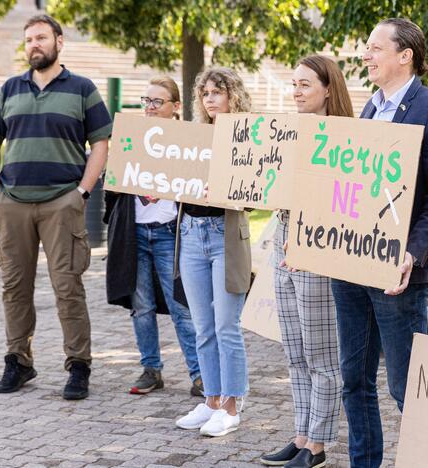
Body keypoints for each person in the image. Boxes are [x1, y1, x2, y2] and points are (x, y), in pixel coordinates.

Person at [330, 18, 428, 468]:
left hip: (397, 271)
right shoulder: (370, 108)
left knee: (408, 387)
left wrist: (410, 253)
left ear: (405, 55)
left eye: (374, 48)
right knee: (354, 379)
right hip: (352, 264)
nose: (365, 56)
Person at [0, 14, 111, 400]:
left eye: (41, 38)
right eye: (29, 39)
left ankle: (78, 366)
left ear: (59, 41)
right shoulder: (10, 88)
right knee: (14, 287)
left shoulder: (82, 89)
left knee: (67, 287)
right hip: (12, 204)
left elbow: (101, 143)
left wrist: (82, 192)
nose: (34, 45)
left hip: (61, 204)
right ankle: (19, 360)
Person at [259, 55, 353, 468]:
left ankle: (317, 445)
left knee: (320, 357)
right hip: (283, 241)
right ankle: (301, 435)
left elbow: (348, 203)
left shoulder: (345, 137)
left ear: (328, 89)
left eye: (304, 85)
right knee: (294, 352)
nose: (295, 92)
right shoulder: (286, 132)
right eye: (292, 85)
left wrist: (309, 241)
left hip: (318, 248)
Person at [103, 75, 203, 396]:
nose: (150, 108)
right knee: (141, 306)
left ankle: (199, 374)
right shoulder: (130, 138)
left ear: (175, 107)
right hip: (135, 234)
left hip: (168, 233)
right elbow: (114, 185)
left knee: (181, 307)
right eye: (146, 101)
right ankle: (151, 368)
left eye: (157, 102)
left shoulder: (186, 143)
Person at [174, 67, 252, 438]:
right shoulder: (193, 137)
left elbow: (257, 194)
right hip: (190, 232)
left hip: (224, 235)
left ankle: (233, 406)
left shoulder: (249, 137)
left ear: (232, 95)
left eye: (217, 92)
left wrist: (224, 190)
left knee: (226, 325)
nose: (209, 99)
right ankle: (211, 400)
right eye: (204, 93)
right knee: (202, 326)